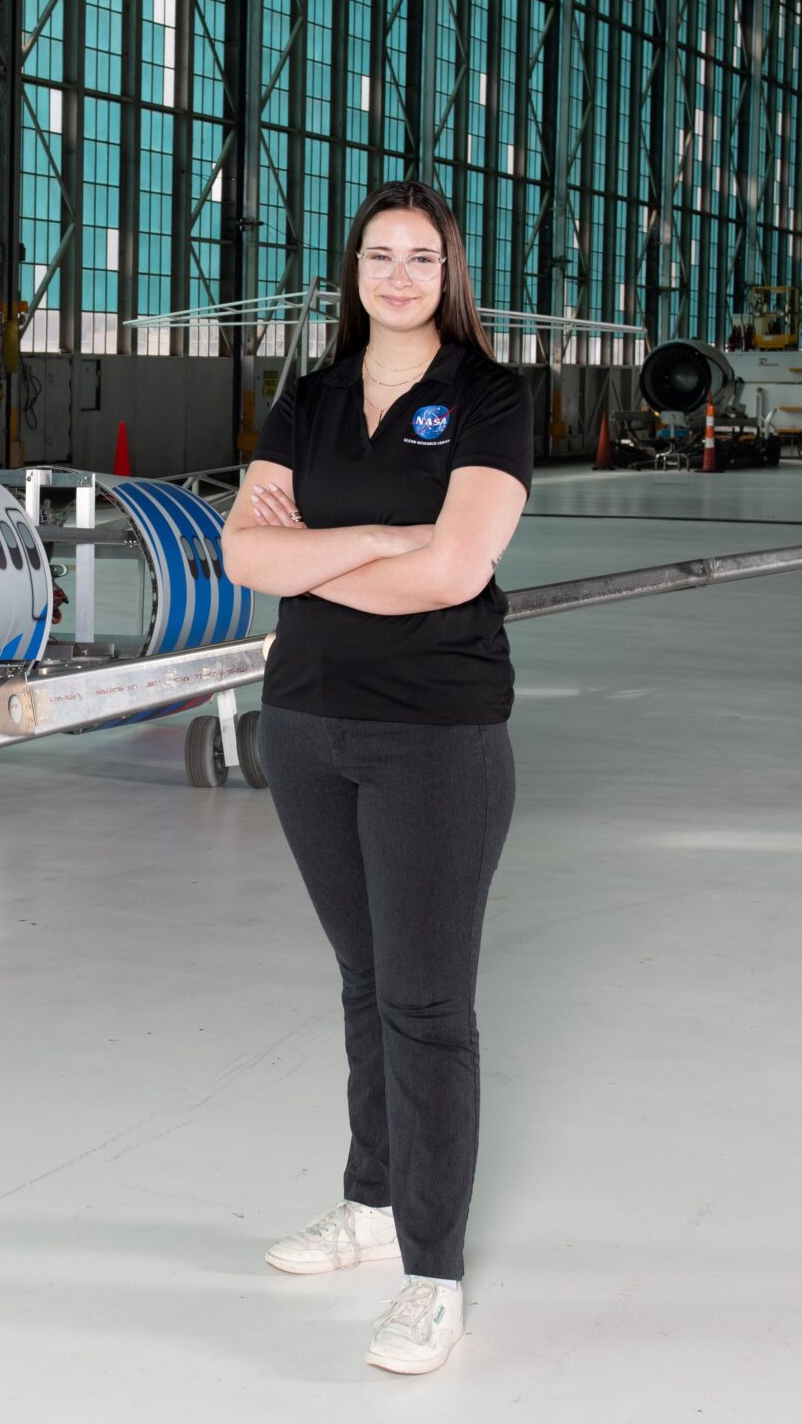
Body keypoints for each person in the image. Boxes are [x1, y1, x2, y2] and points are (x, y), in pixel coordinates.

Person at [220, 177, 533, 1376]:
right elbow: (247, 553)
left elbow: (456, 573)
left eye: (421, 257)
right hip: (304, 724)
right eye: (378, 254)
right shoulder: (305, 401)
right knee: (362, 982)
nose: (398, 275)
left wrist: (314, 557)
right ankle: (368, 1204)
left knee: (425, 1005)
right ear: (351, 271)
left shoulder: (488, 397)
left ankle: (433, 1276)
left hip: (433, 734)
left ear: (448, 275)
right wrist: (373, 544)